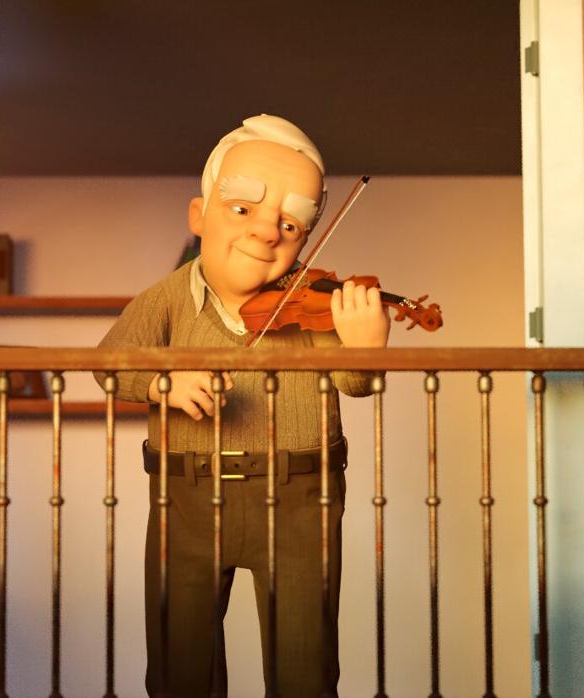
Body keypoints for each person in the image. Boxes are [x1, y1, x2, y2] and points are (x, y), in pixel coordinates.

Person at [97, 114, 389, 696]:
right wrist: (163, 384)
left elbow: (354, 383)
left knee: (305, 666)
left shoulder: (314, 302)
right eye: (241, 208)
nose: (265, 232)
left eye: (291, 223)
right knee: (181, 666)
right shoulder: (165, 299)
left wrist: (366, 347)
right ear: (198, 214)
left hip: (301, 497)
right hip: (185, 498)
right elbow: (110, 364)